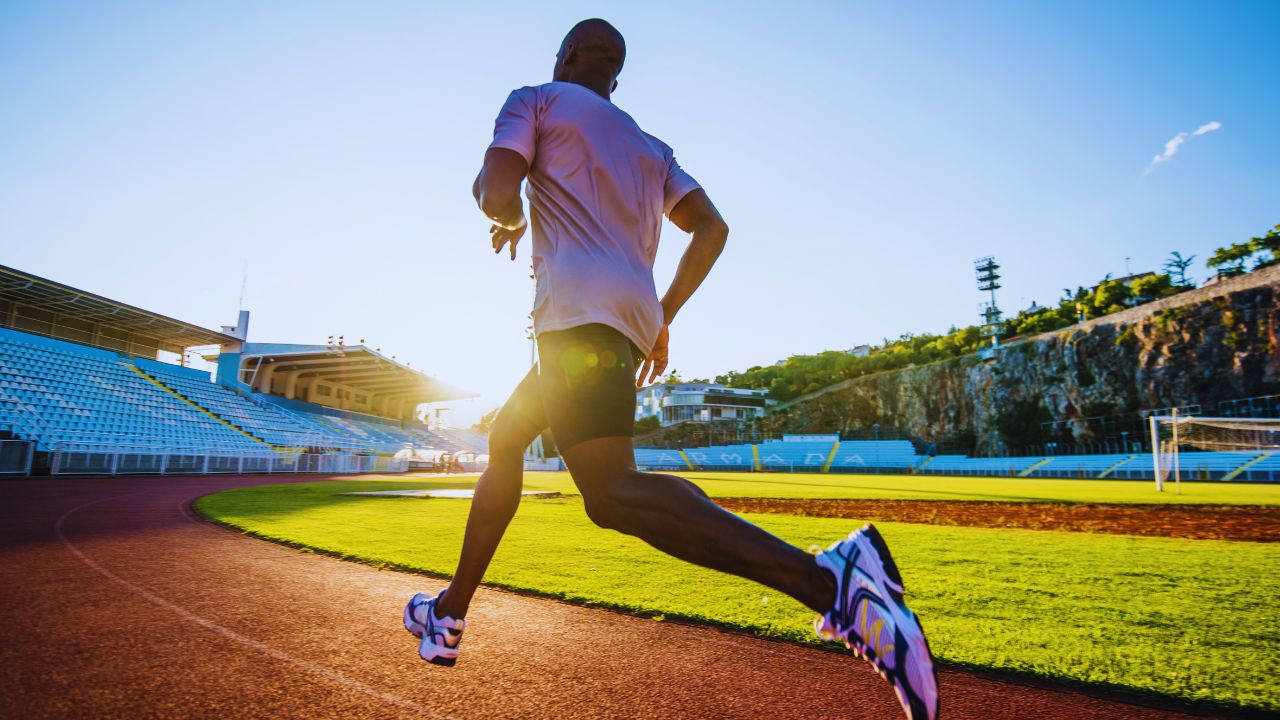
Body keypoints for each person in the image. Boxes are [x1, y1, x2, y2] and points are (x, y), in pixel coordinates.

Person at [403, 19, 938, 720]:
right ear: (615, 77)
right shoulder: (653, 149)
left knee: (612, 493)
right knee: (506, 439)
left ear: (564, 59)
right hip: (617, 323)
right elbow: (712, 229)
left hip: (575, 319)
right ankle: (449, 613)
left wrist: (504, 214)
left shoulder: (534, 99)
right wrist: (665, 314)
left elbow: (494, 189)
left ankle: (831, 581)